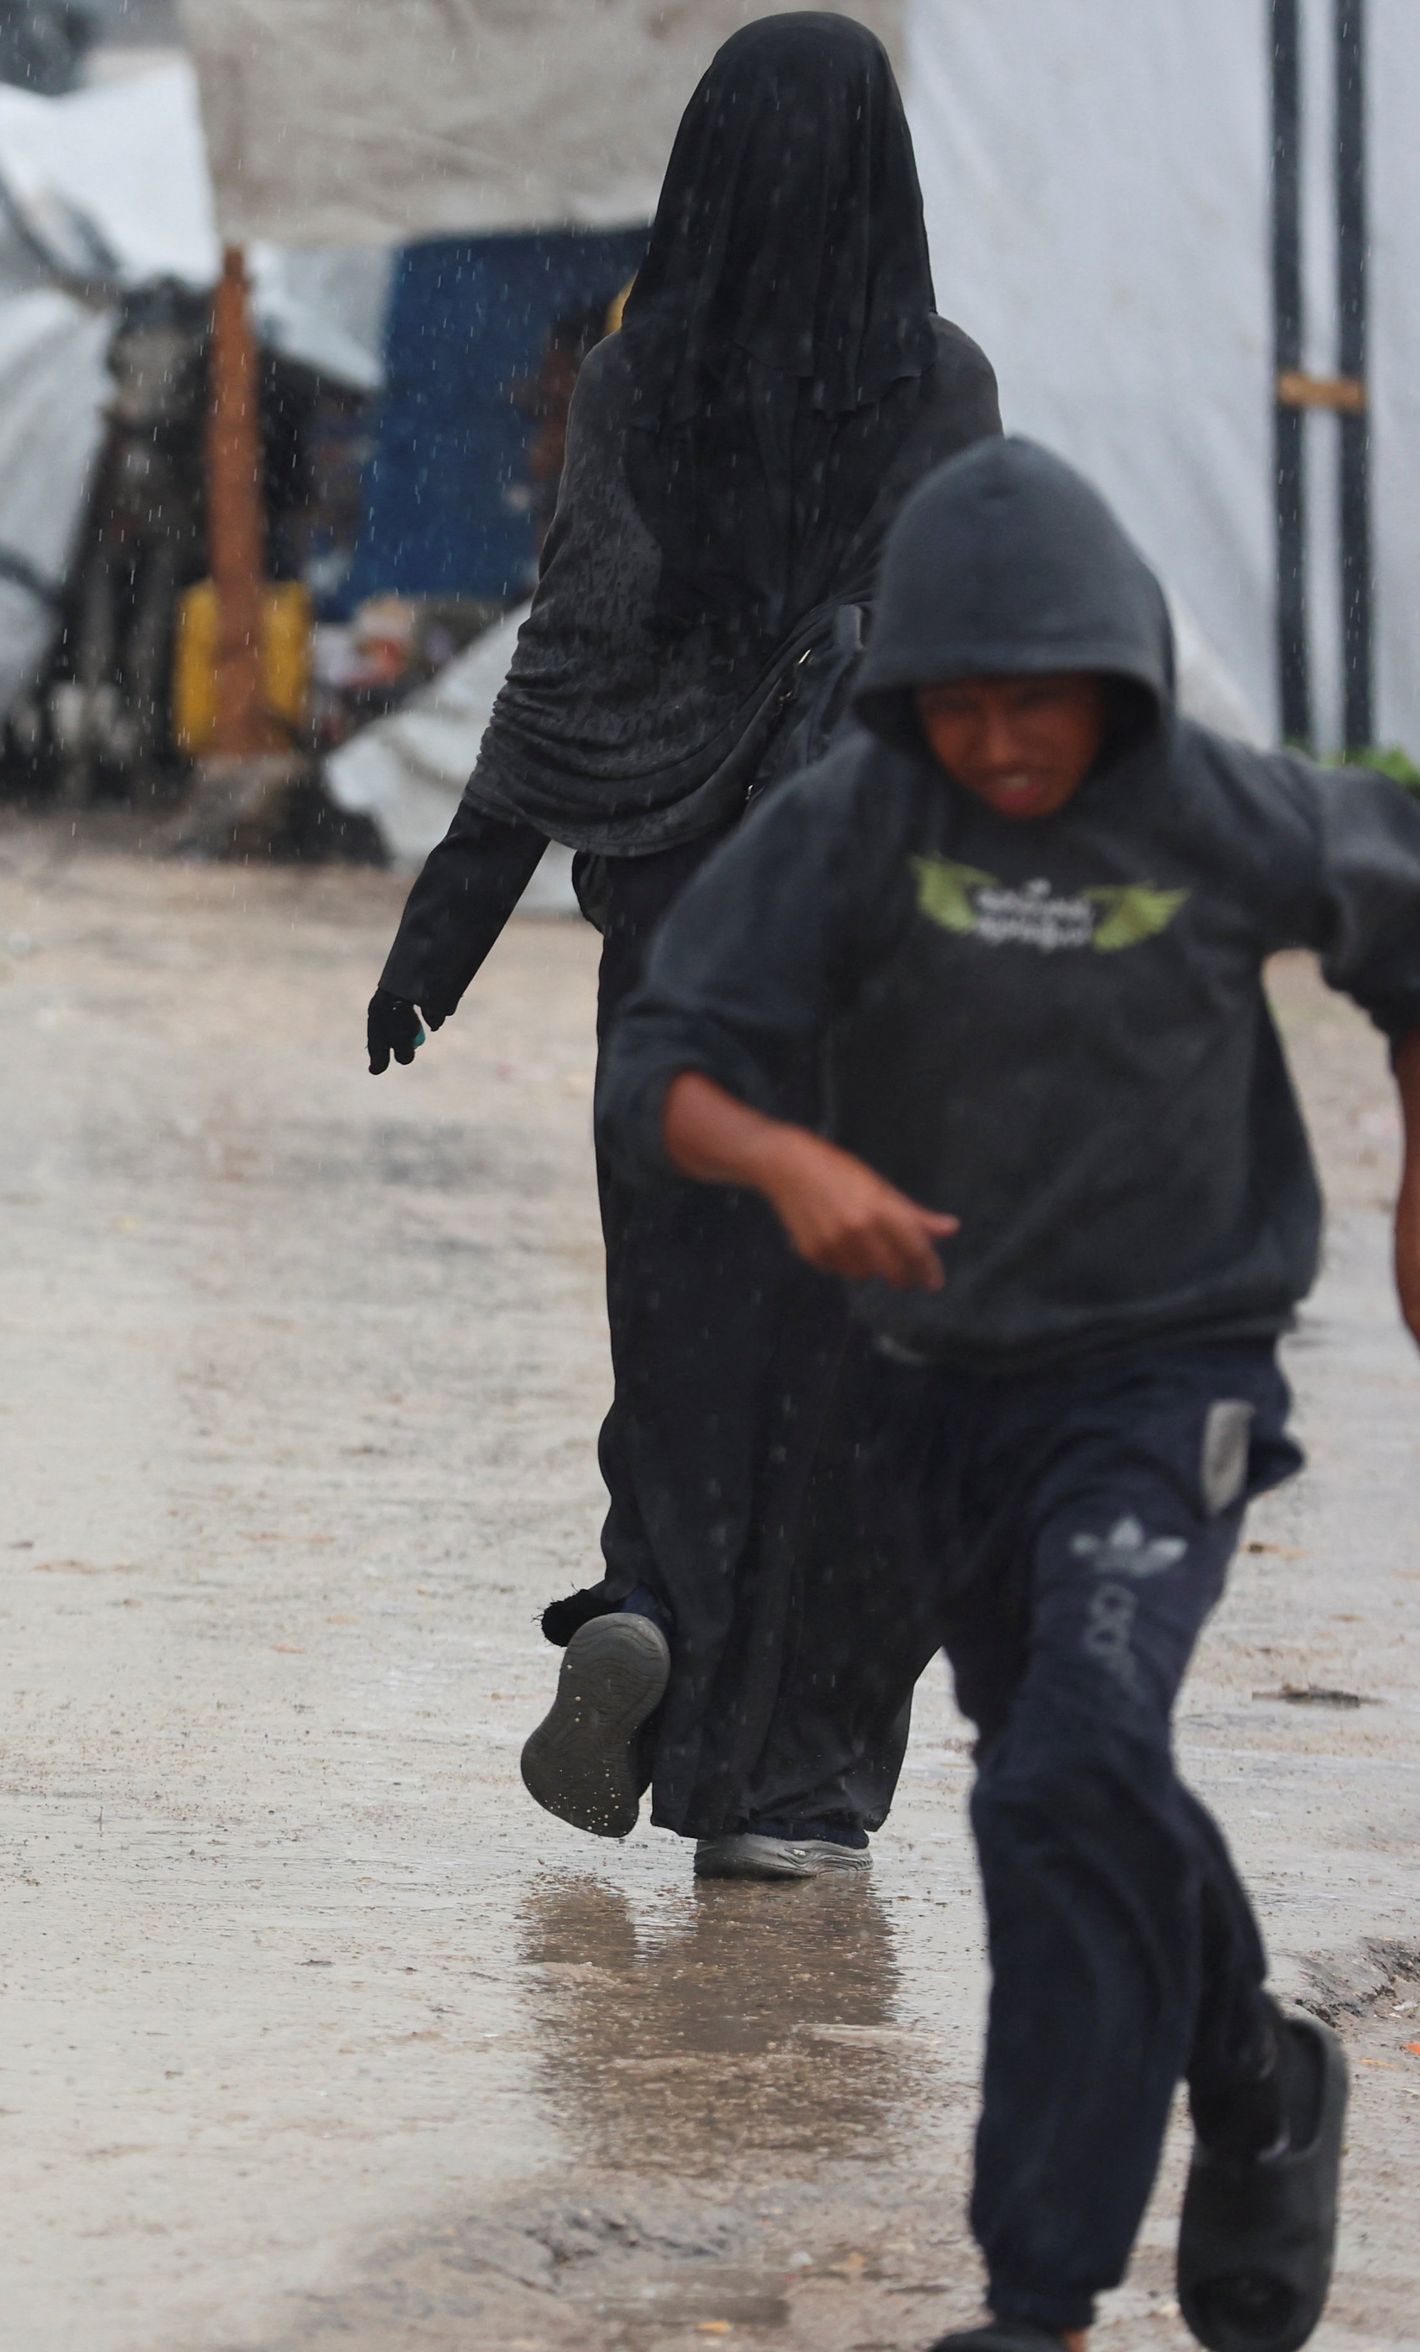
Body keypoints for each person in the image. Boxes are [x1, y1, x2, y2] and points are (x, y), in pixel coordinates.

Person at [600, 435, 1418, 2352]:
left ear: (1118, 677)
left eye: (1037, 702)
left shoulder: (1214, 807)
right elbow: (664, 1066)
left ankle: (1037, 2297)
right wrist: (790, 1162)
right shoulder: (864, 819)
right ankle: (1258, 2078)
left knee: (1060, 1771)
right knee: (1081, 1773)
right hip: (931, 1391)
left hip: (1165, 1377)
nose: (1001, 744)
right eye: (959, 707)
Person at [366, 12, 1002, 1878]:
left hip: (677, 942)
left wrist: (444, 924)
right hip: (875, 955)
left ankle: (653, 1604)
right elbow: (970, 669)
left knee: (688, 1325)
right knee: (860, 1352)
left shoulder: (639, 380)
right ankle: (790, 1786)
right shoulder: (943, 386)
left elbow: (573, 657)